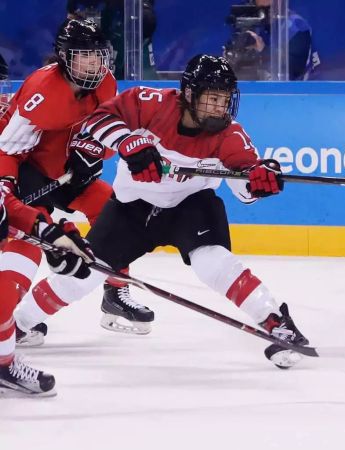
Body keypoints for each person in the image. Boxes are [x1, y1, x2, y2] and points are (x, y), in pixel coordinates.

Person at [13, 54, 309, 370]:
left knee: (213, 263)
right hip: (132, 210)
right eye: (213, 99)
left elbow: (246, 185)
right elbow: (98, 120)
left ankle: (277, 321)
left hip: (191, 209)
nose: (220, 108)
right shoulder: (150, 103)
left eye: (225, 100)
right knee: (84, 274)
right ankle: (20, 322)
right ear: (189, 95)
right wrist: (127, 142)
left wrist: (261, 180)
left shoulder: (229, 134)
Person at [0, 19, 154, 345]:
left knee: (116, 209)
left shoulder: (106, 84)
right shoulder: (41, 91)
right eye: (84, 55)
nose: (94, 63)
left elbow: (108, 128)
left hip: (70, 172)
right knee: (29, 237)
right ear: (64, 57)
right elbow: (7, 149)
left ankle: (116, 291)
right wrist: (5, 188)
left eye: (98, 55)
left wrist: (95, 150)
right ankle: (7, 319)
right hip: (30, 172)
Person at [0, 34, 100, 396]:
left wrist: (51, 231)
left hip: (19, 193)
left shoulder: (12, 133)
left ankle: (3, 362)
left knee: (15, 271)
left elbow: (9, 206)